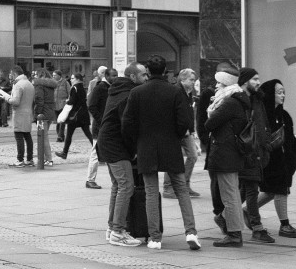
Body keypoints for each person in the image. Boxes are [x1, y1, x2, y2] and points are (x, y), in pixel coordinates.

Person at [121, 55, 200, 251]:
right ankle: (191, 232)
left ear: (147, 72)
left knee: (150, 192)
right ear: (166, 71)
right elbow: (185, 122)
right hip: (170, 145)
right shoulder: (175, 92)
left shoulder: (137, 92)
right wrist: (176, 135)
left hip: (146, 146)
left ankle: (155, 237)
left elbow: (128, 123)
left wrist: (137, 142)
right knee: (181, 189)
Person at [98, 63, 148, 247]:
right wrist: (132, 149)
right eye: (143, 75)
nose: (146, 78)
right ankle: (118, 231)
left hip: (107, 142)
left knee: (117, 186)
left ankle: (112, 228)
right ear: (133, 77)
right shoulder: (128, 95)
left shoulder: (117, 90)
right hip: (115, 145)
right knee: (127, 185)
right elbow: (127, 125)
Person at [203, 68, 250, 247]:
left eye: (219, 83)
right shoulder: (237, 100)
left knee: (229, 195)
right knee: (232, 194)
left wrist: (212, 110)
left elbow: (209, 124)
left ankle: (234, 235)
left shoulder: (229, 103)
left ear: (227, 84)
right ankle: (234, 231)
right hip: (231, 153)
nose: (216, 86)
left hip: (225, 153)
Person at [235, 68, 275, 243]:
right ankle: (257, 228)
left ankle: (222, 216)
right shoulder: (238, 100)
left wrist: (266, 145)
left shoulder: (257, 99)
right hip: (247, 151)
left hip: (258, 150)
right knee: (251, 189)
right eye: (254, 79)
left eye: (258, 79)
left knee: (244, 189)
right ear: (245, 81)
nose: (258, 82)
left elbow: (263, 123)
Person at [259, 79, 296, 238]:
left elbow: (290, 139)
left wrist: (293, 158)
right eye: (279, 92)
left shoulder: (284, 115)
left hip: (283, 160)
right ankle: (284, 225)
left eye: (284, 92)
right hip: (270, 160)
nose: (283, 95)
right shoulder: (262, 115)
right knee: (280, 189)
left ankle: (246, 211)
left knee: (272, 191)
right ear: (270, 94)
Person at [163, 68, 202, 199]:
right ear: (182, 79)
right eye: (191, 80)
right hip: (175, 130)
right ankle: (168, 188)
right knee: (172, 159)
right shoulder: (175, 91)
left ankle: (184, 185)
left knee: (193, 155)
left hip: (186, 130)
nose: (193, 82)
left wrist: (191, 129)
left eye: (194, 80)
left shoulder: (189, 92)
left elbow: (189, 112)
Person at [55, 72, 91, 164]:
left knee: (69, 134)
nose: (71, 80)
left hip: (75, 116)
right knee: (88, 134)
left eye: (72, 78)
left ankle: (64, 153)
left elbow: (72, 101)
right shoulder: (82, 88)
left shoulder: (74, 88)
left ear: (78, 79)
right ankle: (99, 151)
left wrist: (67, 101)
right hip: (83, 114)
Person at [5, 65, 35, 167]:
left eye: (10, 74)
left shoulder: (18, 85)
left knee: (19, 137)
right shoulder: (29, 84)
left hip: (19, 114)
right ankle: (30, 159)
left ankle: (20, 159)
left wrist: (6, 98)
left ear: (14, 74)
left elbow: (16, 101)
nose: (9, 76)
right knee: (27, 136)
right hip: (28, 113)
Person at [33, 69, 58, 143]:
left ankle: (47, 155)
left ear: (41, 75)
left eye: (36, 74)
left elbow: (39, 100)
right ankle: (46, 154)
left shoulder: (39, 85)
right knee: (44, 135)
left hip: (42, 113)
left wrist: (37, 114)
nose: (35, 76)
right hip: (50, 112)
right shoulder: (51, 85)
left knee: (42, 138)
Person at [52, 70, 71, 143]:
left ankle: (60, 136)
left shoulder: (65, 83)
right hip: (55, 105)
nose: (53, 76)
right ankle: (61, 136)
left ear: (59, 76)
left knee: (62, 121)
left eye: (55, 75)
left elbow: (69, 92)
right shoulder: (53, 83)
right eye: (53, 75)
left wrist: (68, 101)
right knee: (57, 122)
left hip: (63, 104)